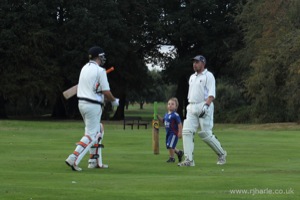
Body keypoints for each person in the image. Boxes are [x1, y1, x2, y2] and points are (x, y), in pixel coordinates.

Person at [65, 46, 119, 171]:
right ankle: (73, 158)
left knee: (98, 129)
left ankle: (94, 161)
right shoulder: (100, 71)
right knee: (91, 134)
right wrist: (114, 100)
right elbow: (106, 91)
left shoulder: (84, 68)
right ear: (98, 57)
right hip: (93, 105)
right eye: (102, 56)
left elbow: (95, 88)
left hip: (82, 104)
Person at [178, 55, 227, 167]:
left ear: (203, 63)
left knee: (206, 134)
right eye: (194, 62)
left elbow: (211, 94)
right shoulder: (192, 77)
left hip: (204, 105)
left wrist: (206, 106)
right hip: (192, 106)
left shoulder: (208, 76)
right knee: (187, 132)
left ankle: (221, 154)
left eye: (197, 62)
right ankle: (189, 160)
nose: (194, 64)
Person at [158, 97, 184, 163]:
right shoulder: (166, 114)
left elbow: (179, 124)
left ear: (176, 107)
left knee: (170, 145)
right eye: (169, 104)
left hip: (174, 133)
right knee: (169, 145)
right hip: (168, 133)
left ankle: (172, 158)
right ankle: (179, 152)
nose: (170, 105)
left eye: (172, 104)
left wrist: (180, 133)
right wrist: (157, 117)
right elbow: (163, 121)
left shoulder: (175, 115)